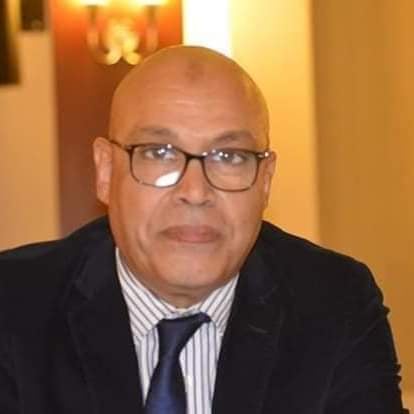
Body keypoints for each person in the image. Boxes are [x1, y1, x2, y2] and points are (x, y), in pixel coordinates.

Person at [0, 46, 405, 414]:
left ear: (265, 180)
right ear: (105, 171)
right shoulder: (14, 305)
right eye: (159, 153)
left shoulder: (335, 304)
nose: (195, 192)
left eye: (229, 156)